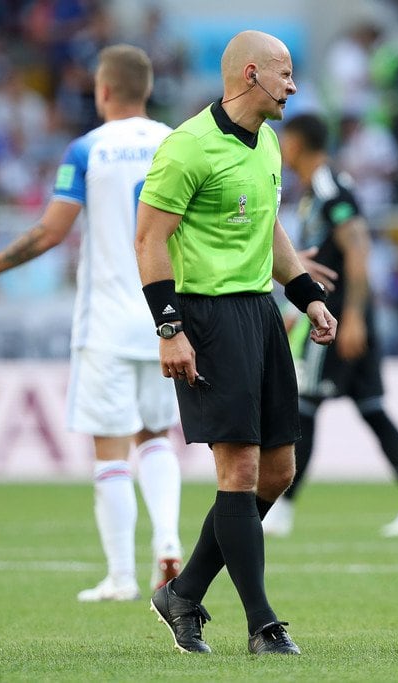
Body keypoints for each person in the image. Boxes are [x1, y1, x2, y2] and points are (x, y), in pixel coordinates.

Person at [0, 45, 184, 601]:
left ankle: (120, 576)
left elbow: (50, 232)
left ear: (104, 90)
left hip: (107, 324)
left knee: (111, 446)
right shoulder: (175, 143)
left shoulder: (87, 148)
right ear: (148, 86)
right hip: (166, 319)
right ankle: (167, 541)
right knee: (156, 436)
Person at [134, 30, 336, 657]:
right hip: (206, 317)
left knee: (277, 472)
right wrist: (170, 329)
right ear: (250, 74)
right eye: (285, 73)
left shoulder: (269, 143)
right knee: (239, 469)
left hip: (260, 314)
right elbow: (149, 241)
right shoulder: (187, 147)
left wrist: (305, 293)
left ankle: (184, 591)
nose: (293, 86)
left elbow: (269, 229)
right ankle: (263, 624)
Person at [263, 112, 398, 538]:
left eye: (284, 142)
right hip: (340, 314)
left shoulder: (329, 186)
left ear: (295, 143)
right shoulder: (314, 190)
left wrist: (352, 319)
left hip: (335, 317)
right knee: (373, 409)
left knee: (304, 405)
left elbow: (359, 248)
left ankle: (282, 509)